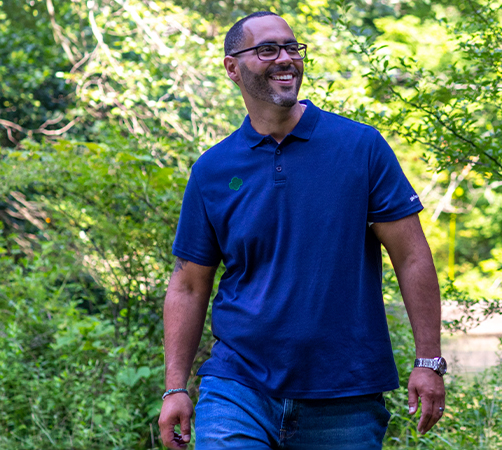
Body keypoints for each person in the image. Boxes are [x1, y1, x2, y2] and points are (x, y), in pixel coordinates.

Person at [157, 11, 447, 450]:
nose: (286, 59)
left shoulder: (360, 147)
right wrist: (175, 387)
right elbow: (189, 285)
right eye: (268, 49)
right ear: (232, 67)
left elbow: (411, 256)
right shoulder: (213, 170)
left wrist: (429, 360)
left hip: (345, 394)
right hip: (239, 387)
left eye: (292, 48)